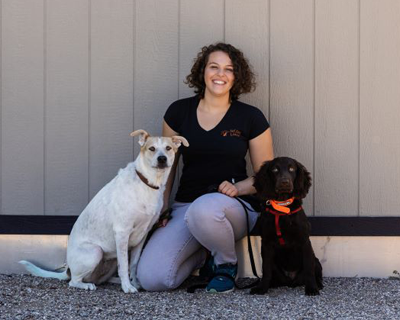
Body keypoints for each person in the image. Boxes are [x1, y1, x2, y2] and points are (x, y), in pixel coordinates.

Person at [136, 42, 274, 293]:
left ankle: (225, 265)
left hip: (232, 207)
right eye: (214, 67)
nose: (220, 74)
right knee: (152, 279)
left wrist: (238, 188)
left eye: (229, 69)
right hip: (186, 206)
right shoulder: (178, 112)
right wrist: (161, 206)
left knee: (205, 208)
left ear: (237, 77)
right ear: (203, 72)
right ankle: (203, 252)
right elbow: (168, 166)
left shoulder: (251, 117)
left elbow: (266, 177)